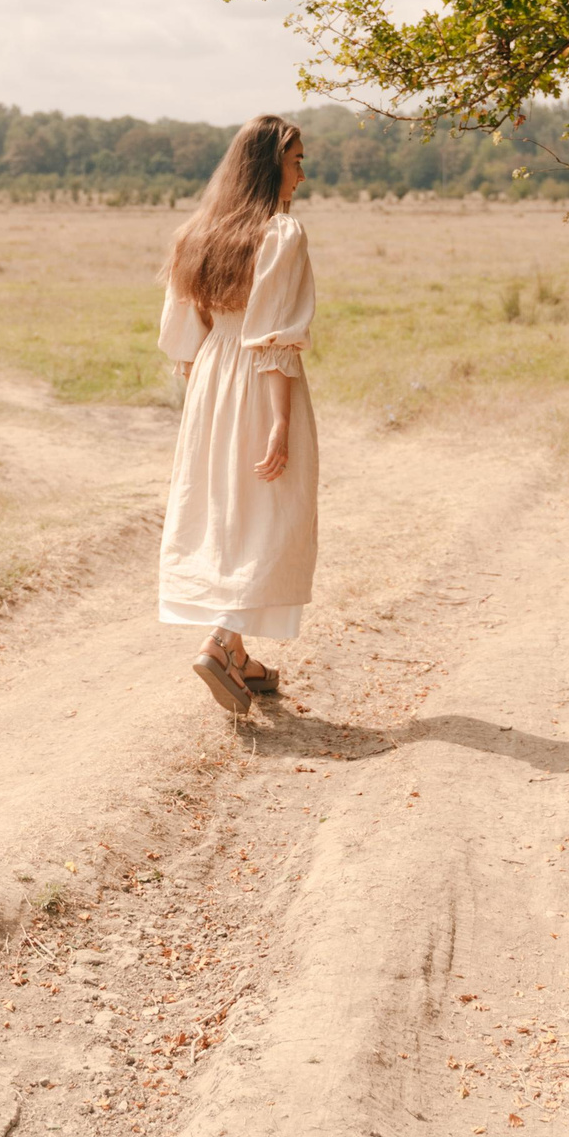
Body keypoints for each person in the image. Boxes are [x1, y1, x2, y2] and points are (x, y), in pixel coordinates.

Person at [156, 114, 318, 713]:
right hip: (256, 380)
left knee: (229, 511)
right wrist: (279, 421)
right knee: (270, 515)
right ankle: (221, 643)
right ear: (269, 165)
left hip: (210, 382)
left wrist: (207, 393)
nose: (302, 176)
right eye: (296, 162)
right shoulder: (281, 234)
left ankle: (241, 658)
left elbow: (184, 334)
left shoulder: (197, 233)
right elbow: (273, 340)